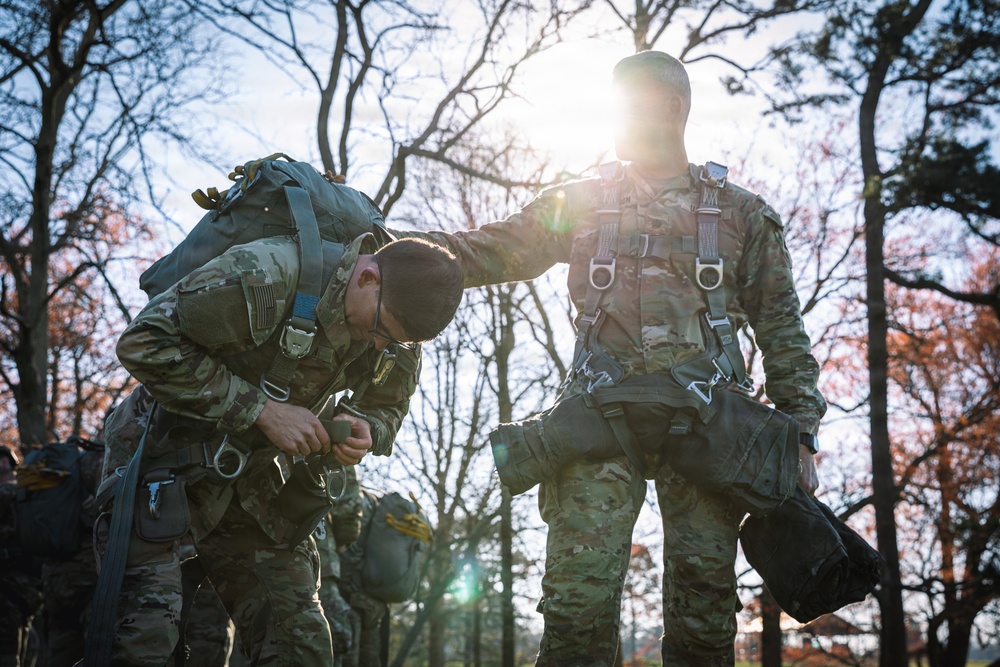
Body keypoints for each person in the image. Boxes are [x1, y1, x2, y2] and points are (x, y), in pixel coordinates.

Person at [400, 51, 826, 666]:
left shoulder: (741, 214)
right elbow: (489, 250)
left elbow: (782, 328)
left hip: (709, 428)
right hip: (597, 423)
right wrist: (389, 247)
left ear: (673, 109)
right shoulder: (579, 201)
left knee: (705, 617)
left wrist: (801, 433)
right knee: (574, 611)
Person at [96, 233, 463, 666]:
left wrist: (367, 426)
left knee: (299, 642)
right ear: (367, 276)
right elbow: (144, 343)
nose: (380, 345)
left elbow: (388, 403)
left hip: (249, 477)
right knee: (143, 641)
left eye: (395, 342)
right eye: (381, 331)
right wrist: (263, 411)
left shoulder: (397, 327)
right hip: (162, 459)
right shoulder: (268, 273)